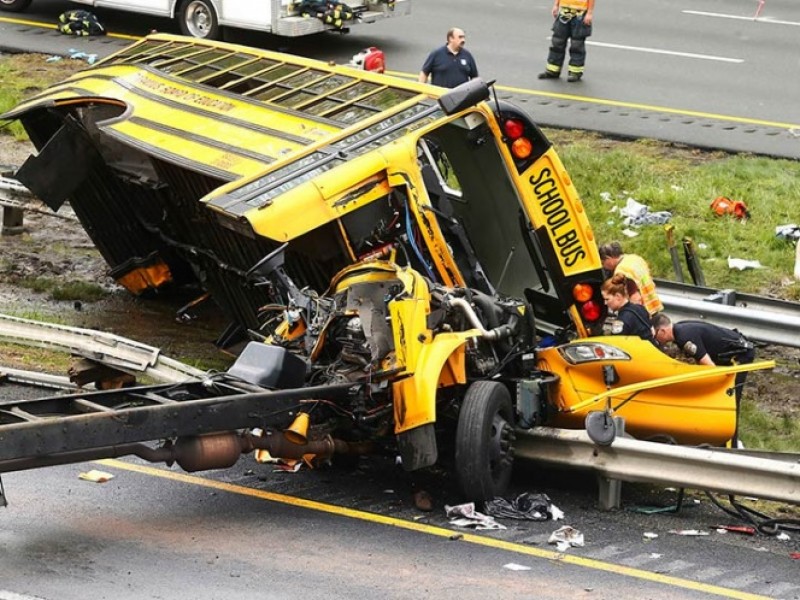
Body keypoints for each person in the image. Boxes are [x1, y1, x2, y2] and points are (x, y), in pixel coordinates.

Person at [651, 313, 756, 442]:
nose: (657, 340)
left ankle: (731, 442)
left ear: (662, 330)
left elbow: (708, 366)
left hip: (740, 355)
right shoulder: (680, 329)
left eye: (656, 335)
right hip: (726, 354)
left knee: (731, 399)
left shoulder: (684, 337)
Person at [598, 241, 663, 316]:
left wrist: (631, 315)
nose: (604, 266)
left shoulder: (622, 270)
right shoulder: (635, 258)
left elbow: (634, 296)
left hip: (642, 309)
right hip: (651, 301)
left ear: (608, 259)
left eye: (603, 263)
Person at [537, 0, 595, 82]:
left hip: (580, 14)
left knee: (577, 44)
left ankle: (575, 72)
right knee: (557, 42)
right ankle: (553, 70)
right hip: (564, 12)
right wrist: (556, 5)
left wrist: (589, 13)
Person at [601, 274, 656, 344]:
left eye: (607, 299)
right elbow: (652, 332)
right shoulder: (640, 308)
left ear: (618, 296)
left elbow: (616, 347)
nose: (605, 303)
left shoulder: (621, 322)